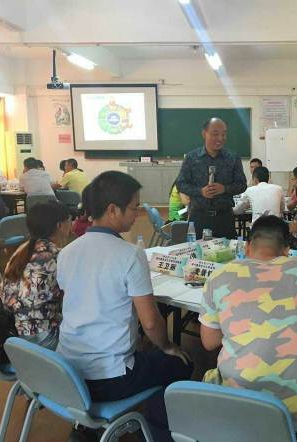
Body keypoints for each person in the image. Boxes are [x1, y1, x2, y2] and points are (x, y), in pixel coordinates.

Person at [56, 171, 193, 440]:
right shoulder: (129, 254)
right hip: (109, 378)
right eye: (134, 207)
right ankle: (156, 431)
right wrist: (168, 347)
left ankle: (87, 426)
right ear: (112, 210)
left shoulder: (67, 252)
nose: (137, 213)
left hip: (68, 372)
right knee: (182, 363)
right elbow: (150, 322)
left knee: (147, 355)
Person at [199, 215, 297, 434]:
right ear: (286, 250)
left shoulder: (219, 276)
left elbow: (209, 342)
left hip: (237, 408)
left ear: (247, 247)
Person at [0, 201, 71, 349]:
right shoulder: (57, 256)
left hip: (15, 328)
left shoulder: (22, 249)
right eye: (69, 220)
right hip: (42, 335)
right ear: (59, 225)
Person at [176, 118, 247, 239]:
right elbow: (181, 184)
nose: (220, 138)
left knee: (227, 250)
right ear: (204, 134)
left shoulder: (233, 158)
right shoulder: (192, 158)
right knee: (198, 250)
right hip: (199, 217)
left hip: (224, 217)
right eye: (215, 134)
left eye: (223, 134)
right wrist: (200, 191)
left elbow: (242, 184)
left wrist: (224, 189)